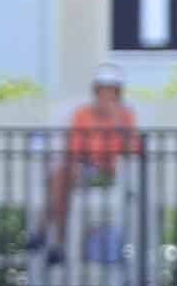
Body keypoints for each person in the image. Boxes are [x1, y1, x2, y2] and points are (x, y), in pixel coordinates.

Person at [27, 63, 142, 267]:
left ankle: (44, 233)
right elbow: (74, 146)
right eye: (103, 89)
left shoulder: (126, 116)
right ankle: (57, 245)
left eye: (112, 90)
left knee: (61, 178)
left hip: (108, 174)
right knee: (63, 177)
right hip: (81, 169)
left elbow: (133, 149)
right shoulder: (83, 113)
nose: (107, 94)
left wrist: (117, 124)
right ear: (96, 90)